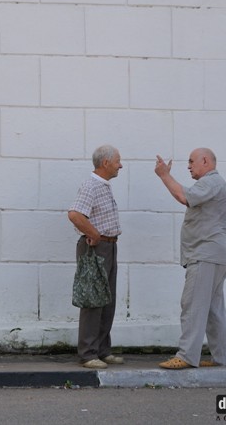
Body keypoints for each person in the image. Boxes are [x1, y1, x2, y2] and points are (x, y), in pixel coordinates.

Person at [154, 148, 226, 369]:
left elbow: (184, 196)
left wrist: (164, 175)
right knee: (212, 310)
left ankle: (187, 356)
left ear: (205, 161)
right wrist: (216, 237)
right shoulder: (220, 186)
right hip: (217, 255)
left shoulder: (210, 182)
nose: (188, 166)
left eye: (191, 162)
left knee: (193, 306)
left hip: (205, 255)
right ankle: (222, 359)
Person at [68, 145, 124, 369]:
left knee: (107, 300)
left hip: (108, 247)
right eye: (118, 161)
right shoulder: (91, 185)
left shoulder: (103, 185)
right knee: (93, 300)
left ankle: (102, 350)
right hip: (96, 249)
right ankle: (88, 353)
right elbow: (75, 214)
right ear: (106, 163)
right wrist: (93, 233)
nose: (121, 165)